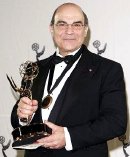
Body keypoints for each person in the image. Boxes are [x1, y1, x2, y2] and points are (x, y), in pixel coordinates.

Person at [11, 2, 127, 157]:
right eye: (62, 24)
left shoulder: (108, 69)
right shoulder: (34, 68)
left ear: (86, 30)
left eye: (77, 25)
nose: (69, 31)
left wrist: (68, 136)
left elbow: (115, 122)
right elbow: (18, 117)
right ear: (51, 28)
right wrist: (22, 115)